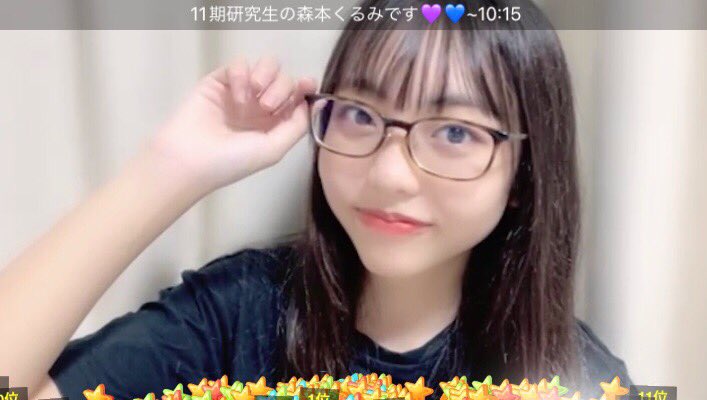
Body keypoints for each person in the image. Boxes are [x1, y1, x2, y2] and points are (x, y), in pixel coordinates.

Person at [0, 1, 633, 399]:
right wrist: (171, 167)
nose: (390, 173)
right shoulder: (237, 318)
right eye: (359, 114)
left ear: (523, 177)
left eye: (454, 133)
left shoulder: (573, 378)